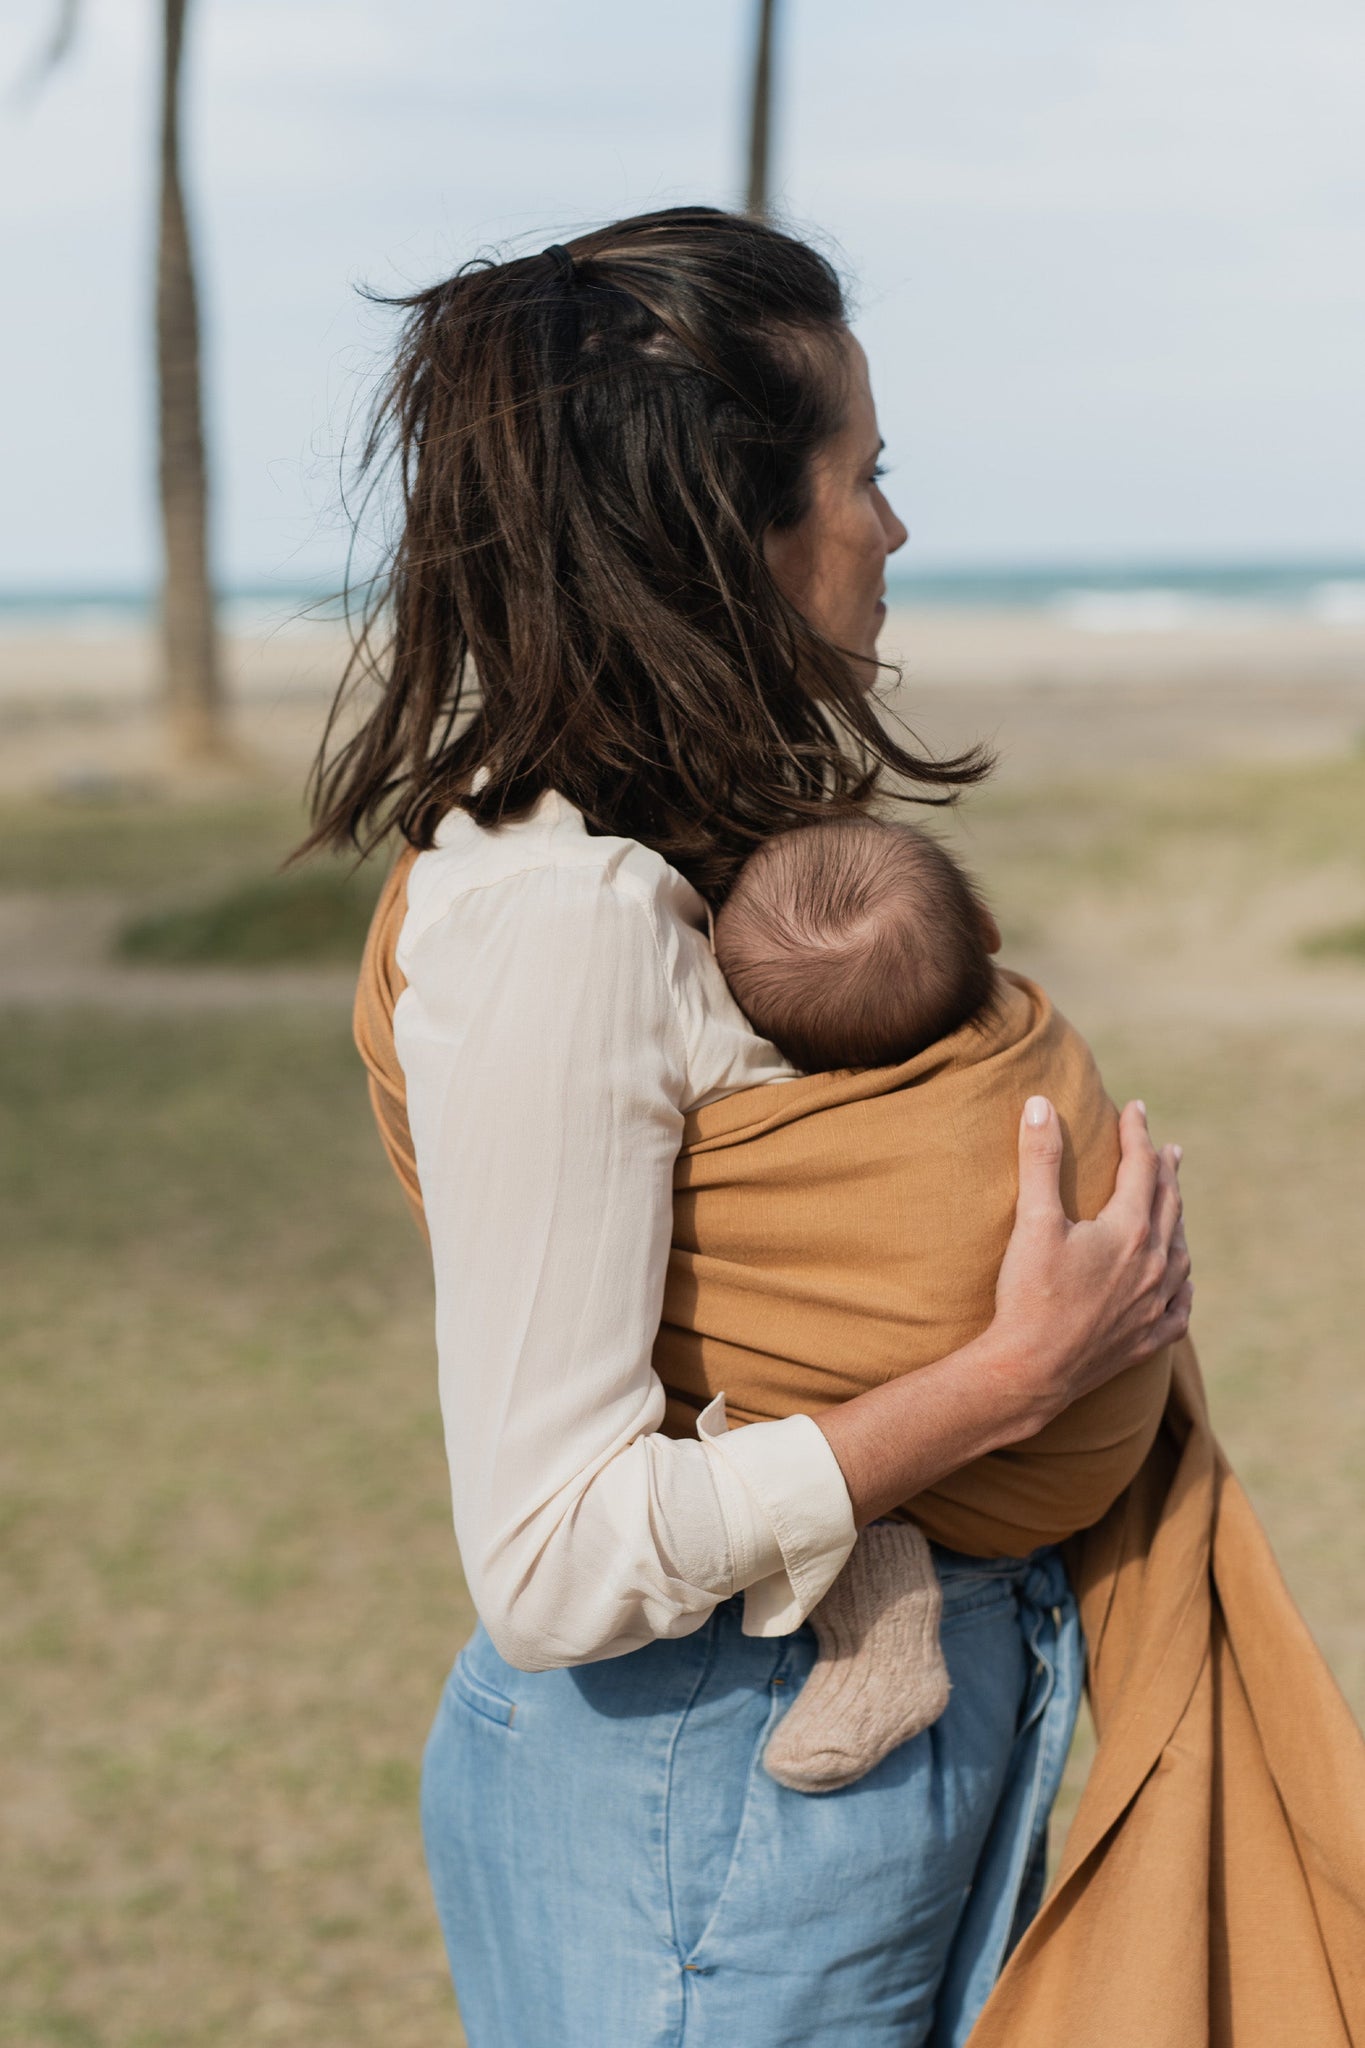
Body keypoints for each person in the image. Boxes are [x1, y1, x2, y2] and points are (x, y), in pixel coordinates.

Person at [306, 207, 1190, 2045]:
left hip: (801, 1801)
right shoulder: (562, 920)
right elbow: (551, 1557)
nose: (890, 525)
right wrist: (1007, 1381)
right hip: (712, 1813)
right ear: (733, 530)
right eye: (864, 472)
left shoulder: (708, 877)